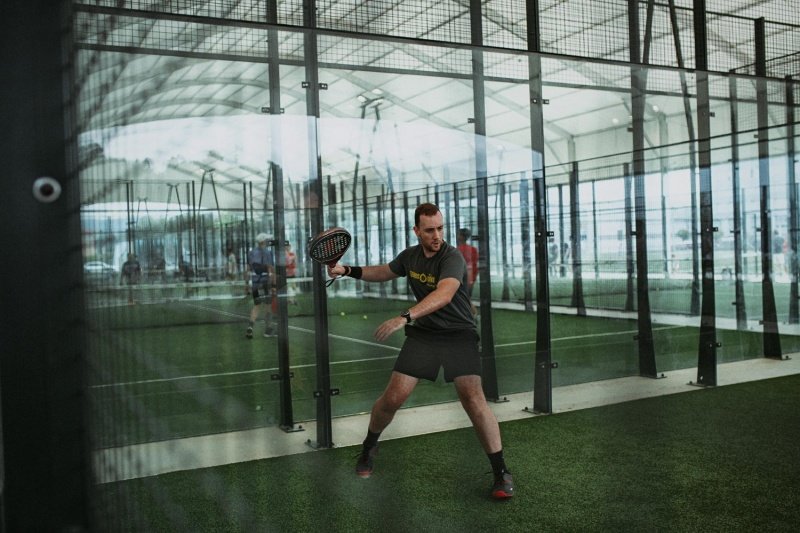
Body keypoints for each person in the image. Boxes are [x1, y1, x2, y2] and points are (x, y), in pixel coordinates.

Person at [327, 203, 514, 500]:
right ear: (416, 231)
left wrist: (405, 317)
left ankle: (501, 472)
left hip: (458, 334)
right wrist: (347, 270)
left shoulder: (451, 257)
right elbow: (384, 271)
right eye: (429, 230)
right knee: (393, 398)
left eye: (440, 228)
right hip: (425, 336)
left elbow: (445, 293)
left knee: (473, 399)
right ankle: (369, 448)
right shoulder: (410, 256)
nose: (437, 235)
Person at [247, 233, 276, 338]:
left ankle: (250, 327)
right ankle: (268, 330)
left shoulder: (251, 253)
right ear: (263, 241)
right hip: (265, 282)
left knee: (256, 305)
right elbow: (270, 268)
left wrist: (247, 284)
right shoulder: (268, 252)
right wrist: (273, 284)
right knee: (268, 306)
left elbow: (248, 268)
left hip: (255, 282)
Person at [456, 228, 478, 303]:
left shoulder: (457, 250)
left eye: (459, 234)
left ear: (462, 237)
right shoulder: (473, 249)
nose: (457, 236)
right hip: (470, 277)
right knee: (467, 298)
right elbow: (475, 265)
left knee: (463, 299)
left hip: (461, 278)